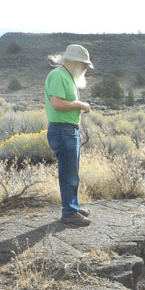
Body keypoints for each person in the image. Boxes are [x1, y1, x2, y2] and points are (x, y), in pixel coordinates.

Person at [44, 44, 93, 226]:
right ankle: (69, 213)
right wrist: (79, 105)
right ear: (75, 62)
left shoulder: (66, 77)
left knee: (72, 172)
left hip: (68, 130)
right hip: (63, 131)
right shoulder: (58, 76)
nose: (86, 68)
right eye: (84, 64)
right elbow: (56, 104)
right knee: (68, 173)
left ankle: (73, 206)